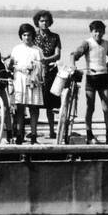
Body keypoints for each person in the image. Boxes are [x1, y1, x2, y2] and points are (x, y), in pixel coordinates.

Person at [71, 20, 108, 145]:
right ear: (91, 32)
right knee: (90, 107)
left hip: (104, 78)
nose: (98, 34)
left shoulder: (107, 44)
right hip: (91, 78)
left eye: (101, 31)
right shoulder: (87, 43)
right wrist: (73, 65)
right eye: (96, 31)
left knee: (106, 108)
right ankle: (89, 134)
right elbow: (74, 55)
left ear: (104, 32)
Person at [6, 23, 45, 144]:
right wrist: (11, 66)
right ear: (21, 36)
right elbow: (11, 66)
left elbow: (42, 67)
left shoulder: (38, 50)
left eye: (29, 35)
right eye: (24, 35)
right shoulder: (16, 49)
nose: (27, 37)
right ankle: (19, 135)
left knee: (34, 109)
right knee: (20, 108)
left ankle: (33, 135)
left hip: (33, 81)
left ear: (33, 35)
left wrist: (35, 71)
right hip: (19, 80)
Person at [34, 10, 63, 139]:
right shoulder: (33, 36)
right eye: (41, 21)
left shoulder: (55, 36)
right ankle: (33, 130)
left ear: (50, 22)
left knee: (50, 104)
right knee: (34, 102)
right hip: (36, 72)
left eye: (46, 21)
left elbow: (58, 55)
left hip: (51, 71)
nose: (44, 23)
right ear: (37, 22)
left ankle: (52, 130)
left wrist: (47, 60)